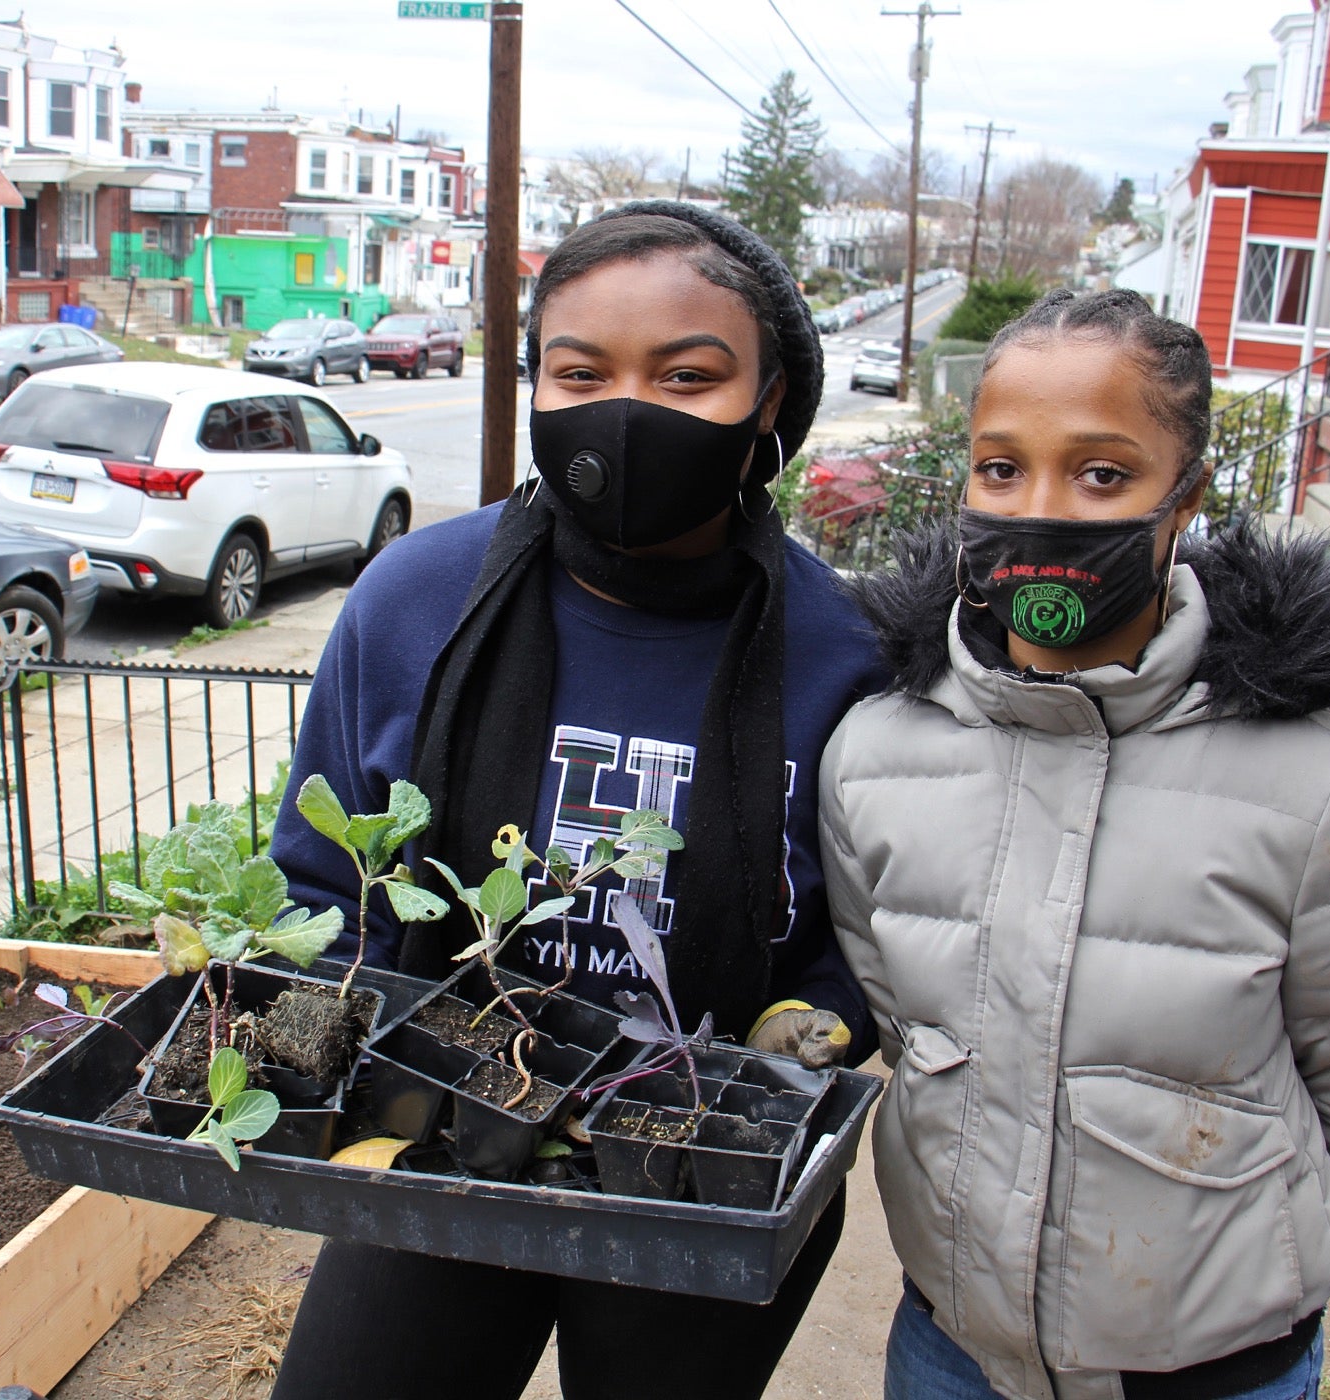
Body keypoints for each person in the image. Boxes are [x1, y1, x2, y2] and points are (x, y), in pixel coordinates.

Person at [265, 201, 890, 1400]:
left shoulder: (846, 654)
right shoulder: (414, 601)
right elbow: (319, 878)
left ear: (770, 402)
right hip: (439, 1143)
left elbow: (867, 937)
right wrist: (302, 1048)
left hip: (704, 1178)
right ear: (537, 388)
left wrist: (812, 1023)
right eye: (581, 369)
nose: (628, 407)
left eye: (689, 375)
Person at [818, 289, 1330, 1400]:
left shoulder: (1323, 783)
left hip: (1218, 1372)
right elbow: (906, 1019)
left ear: (1184, 499)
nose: (1041, 507)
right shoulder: (874, 753)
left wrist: (1233, 1259)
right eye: (1000, 468)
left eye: (1103, 473)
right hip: (951, 1354)